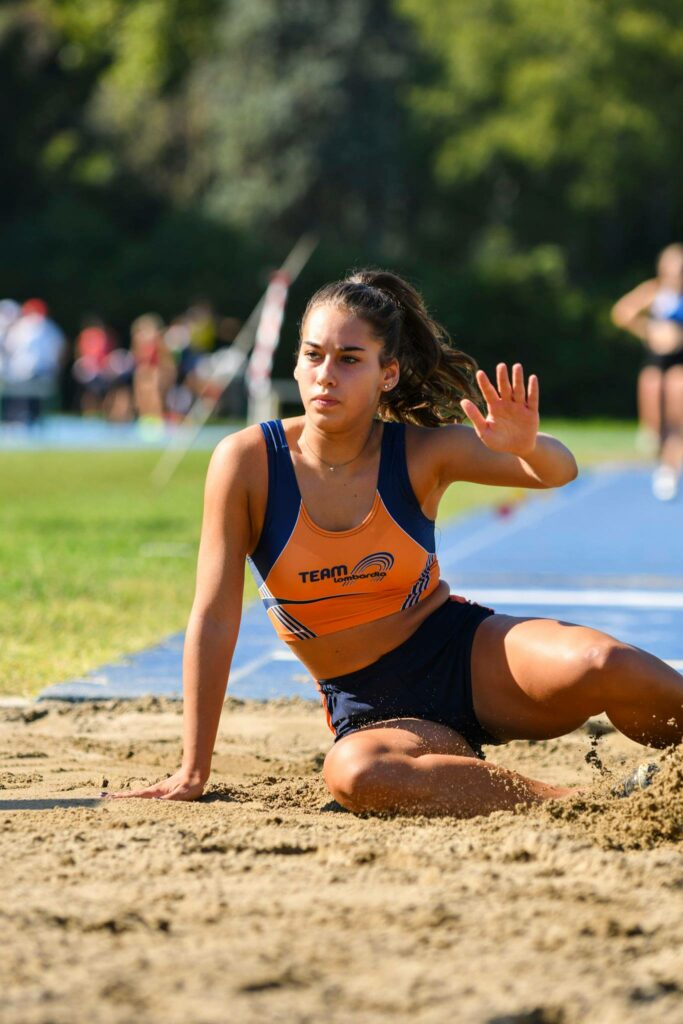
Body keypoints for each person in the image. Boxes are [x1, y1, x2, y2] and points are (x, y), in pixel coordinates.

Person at [113, 270, 683, 817]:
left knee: (605, 661)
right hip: (371, 710)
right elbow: (214, 616)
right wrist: (194, 767)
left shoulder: (418, 452)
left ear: (387, 373)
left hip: (465, 658)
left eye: (349, 359)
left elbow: (558, 471)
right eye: (313, 355)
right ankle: (587, 804)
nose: (325, 375)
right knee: (356, 776)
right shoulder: (246, 463)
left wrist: (527, 445)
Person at [612, 244, 683, 500]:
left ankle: (670, 468)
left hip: (679, 361)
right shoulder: (653, 291)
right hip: (655, 361)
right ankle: (659, 455)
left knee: (677, 413)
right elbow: (621, 313)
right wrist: (649, 331)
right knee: (654, 420)